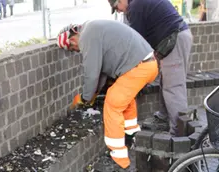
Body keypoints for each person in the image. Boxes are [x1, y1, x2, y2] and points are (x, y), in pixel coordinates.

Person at [56, 20, 158, 170]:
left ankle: (118, 156)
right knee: (124, 96)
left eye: (72, 49)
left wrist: (85, 98)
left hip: (139, 67)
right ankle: (132, 134)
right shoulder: (93, 29)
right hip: (148, 64)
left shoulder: (87, 37)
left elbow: (91, 74)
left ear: (72, 39)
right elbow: (101, 72)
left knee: (113, 103)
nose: (76, 51)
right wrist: (94, 93)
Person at [108, 0, 193, 136]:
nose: (118, 11)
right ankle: (164, 118)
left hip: (174, 39)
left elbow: (135, 43)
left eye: (116, 7)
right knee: (166, 82)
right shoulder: (136, 5)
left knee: (173, 87)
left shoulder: (135, 8)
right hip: (172, 39)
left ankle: (180, 134)